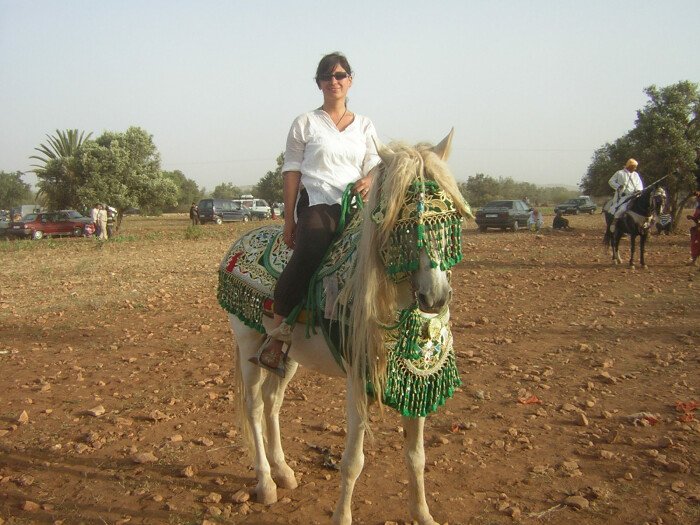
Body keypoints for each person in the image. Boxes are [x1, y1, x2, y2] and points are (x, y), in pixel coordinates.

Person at [250, 52, 380, 376]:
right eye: (327, 76)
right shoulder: (305, 122)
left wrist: (370, 178)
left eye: (340, 76)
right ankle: (278, 337)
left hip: (355, 206)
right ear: (319, 83)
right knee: (309, 253)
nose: (334, 82)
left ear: (351, 80)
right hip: (318, 201)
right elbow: (292, 170)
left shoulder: (365, 125)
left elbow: (375, 165)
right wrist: (290, 219)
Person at [609, 158, 644, 232]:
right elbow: (611, 181)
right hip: (624, 197)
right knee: (622, 209)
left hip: (635, 196)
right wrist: (618, 186)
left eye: (635, 167)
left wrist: (639, 190)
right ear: (629, 166)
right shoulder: (619, 173)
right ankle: (615, 222)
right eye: (634, 166)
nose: (635, 168)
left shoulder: (636, 174)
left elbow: (639, 184)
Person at [687, 191, 700, 267]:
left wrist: (692, 218)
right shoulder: (698, 207)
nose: (697, 199)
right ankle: (694, 261)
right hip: (696, 228)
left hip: (698, 228)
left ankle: (694, 262)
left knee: (696, 244)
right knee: (695, 245)